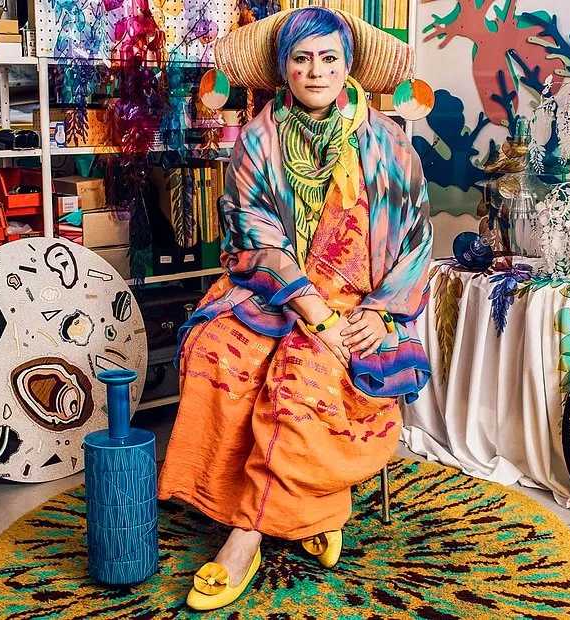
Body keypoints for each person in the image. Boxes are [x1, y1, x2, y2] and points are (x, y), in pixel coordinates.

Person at [158, 6, 432, 611]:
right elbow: (256, 237)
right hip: (274, 292)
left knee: (300, 379)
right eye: (302, 59)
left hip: (359, 303)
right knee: (216, 351)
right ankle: (311, 512)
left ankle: (247, 537)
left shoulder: (390, 144)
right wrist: (317, 316)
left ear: (348, 65)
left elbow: (415, 237)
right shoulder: (256, 141)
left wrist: (380, 313)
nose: (317, 71)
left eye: (329, 58)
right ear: (284, 68)